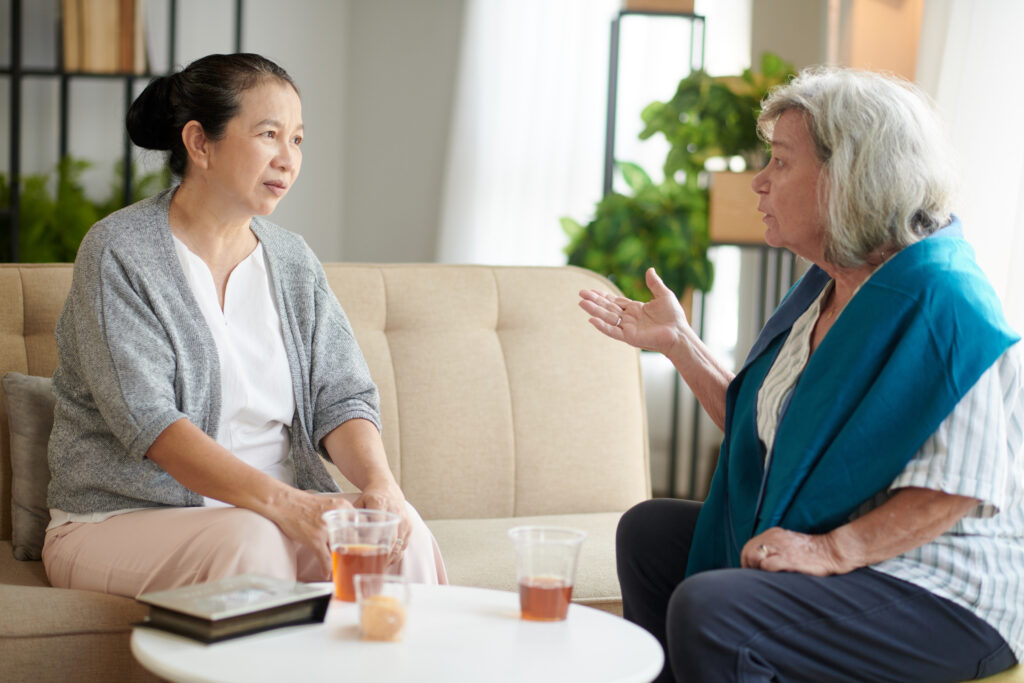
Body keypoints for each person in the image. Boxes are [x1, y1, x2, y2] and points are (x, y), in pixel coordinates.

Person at [579, 66, 1023, 682]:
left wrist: (830, 550)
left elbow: (960, 485)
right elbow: (772, 432)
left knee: (714, 611)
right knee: (649, 535)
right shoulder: (832, 288)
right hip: (866, 561)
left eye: (781, 163)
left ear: (850, 177)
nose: (759, 183)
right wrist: (681, 344)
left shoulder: (944, 301)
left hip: (943, 589)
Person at [42, 53, 447, 597]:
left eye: (298, 140)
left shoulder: (292, 259)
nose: (288, 159)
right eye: (269, 135)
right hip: (123, 518)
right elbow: (150, 423)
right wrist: (289, 506)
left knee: (403, 535)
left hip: (275, 514)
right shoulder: (120, 251)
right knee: (252, 540)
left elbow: (342, 395)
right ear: (200, 143)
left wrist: (381, 487)